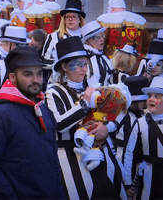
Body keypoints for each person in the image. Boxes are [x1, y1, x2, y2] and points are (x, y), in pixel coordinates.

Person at [0, 46, 64, 199]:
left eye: (39, 74)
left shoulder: (44, 110)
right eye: (28, 74)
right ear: (13, 77)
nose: (36, 80)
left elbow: (52, 159)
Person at [45, 36, 126, 199]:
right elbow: (59, 124)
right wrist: (85, 103)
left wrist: (106, 128)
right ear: (65, 67)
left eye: (85, 64)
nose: (83, 69)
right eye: (77, 65)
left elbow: (116, 114)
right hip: (70, 157)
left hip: (100, 153)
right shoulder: (53, 91)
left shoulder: (94, 87)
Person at [123, 76, 163, 199]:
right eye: (150, 95)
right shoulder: (140, 123)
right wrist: (128, 182)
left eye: (157, 96)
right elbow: (129, 153)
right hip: (147, 178)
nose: (151, 99)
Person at [110, 76, 148, 163]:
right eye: (144, 100)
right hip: (121, 159)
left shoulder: (137, 114)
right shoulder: (125, 117)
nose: (146, 102)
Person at [42, 0, 86, 73]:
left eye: (73, 16)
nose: (70, 19)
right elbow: (44, 61)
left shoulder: (86, 37)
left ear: (80, 19)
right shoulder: (54, 37)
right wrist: (64, 64)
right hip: (59, 78)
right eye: (67, 17)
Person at [81, 20, 113, 86]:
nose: (102, 39)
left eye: (102, 36)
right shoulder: (82, 58)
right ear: (88, 41)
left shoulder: (104, 58)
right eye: (97, 37)